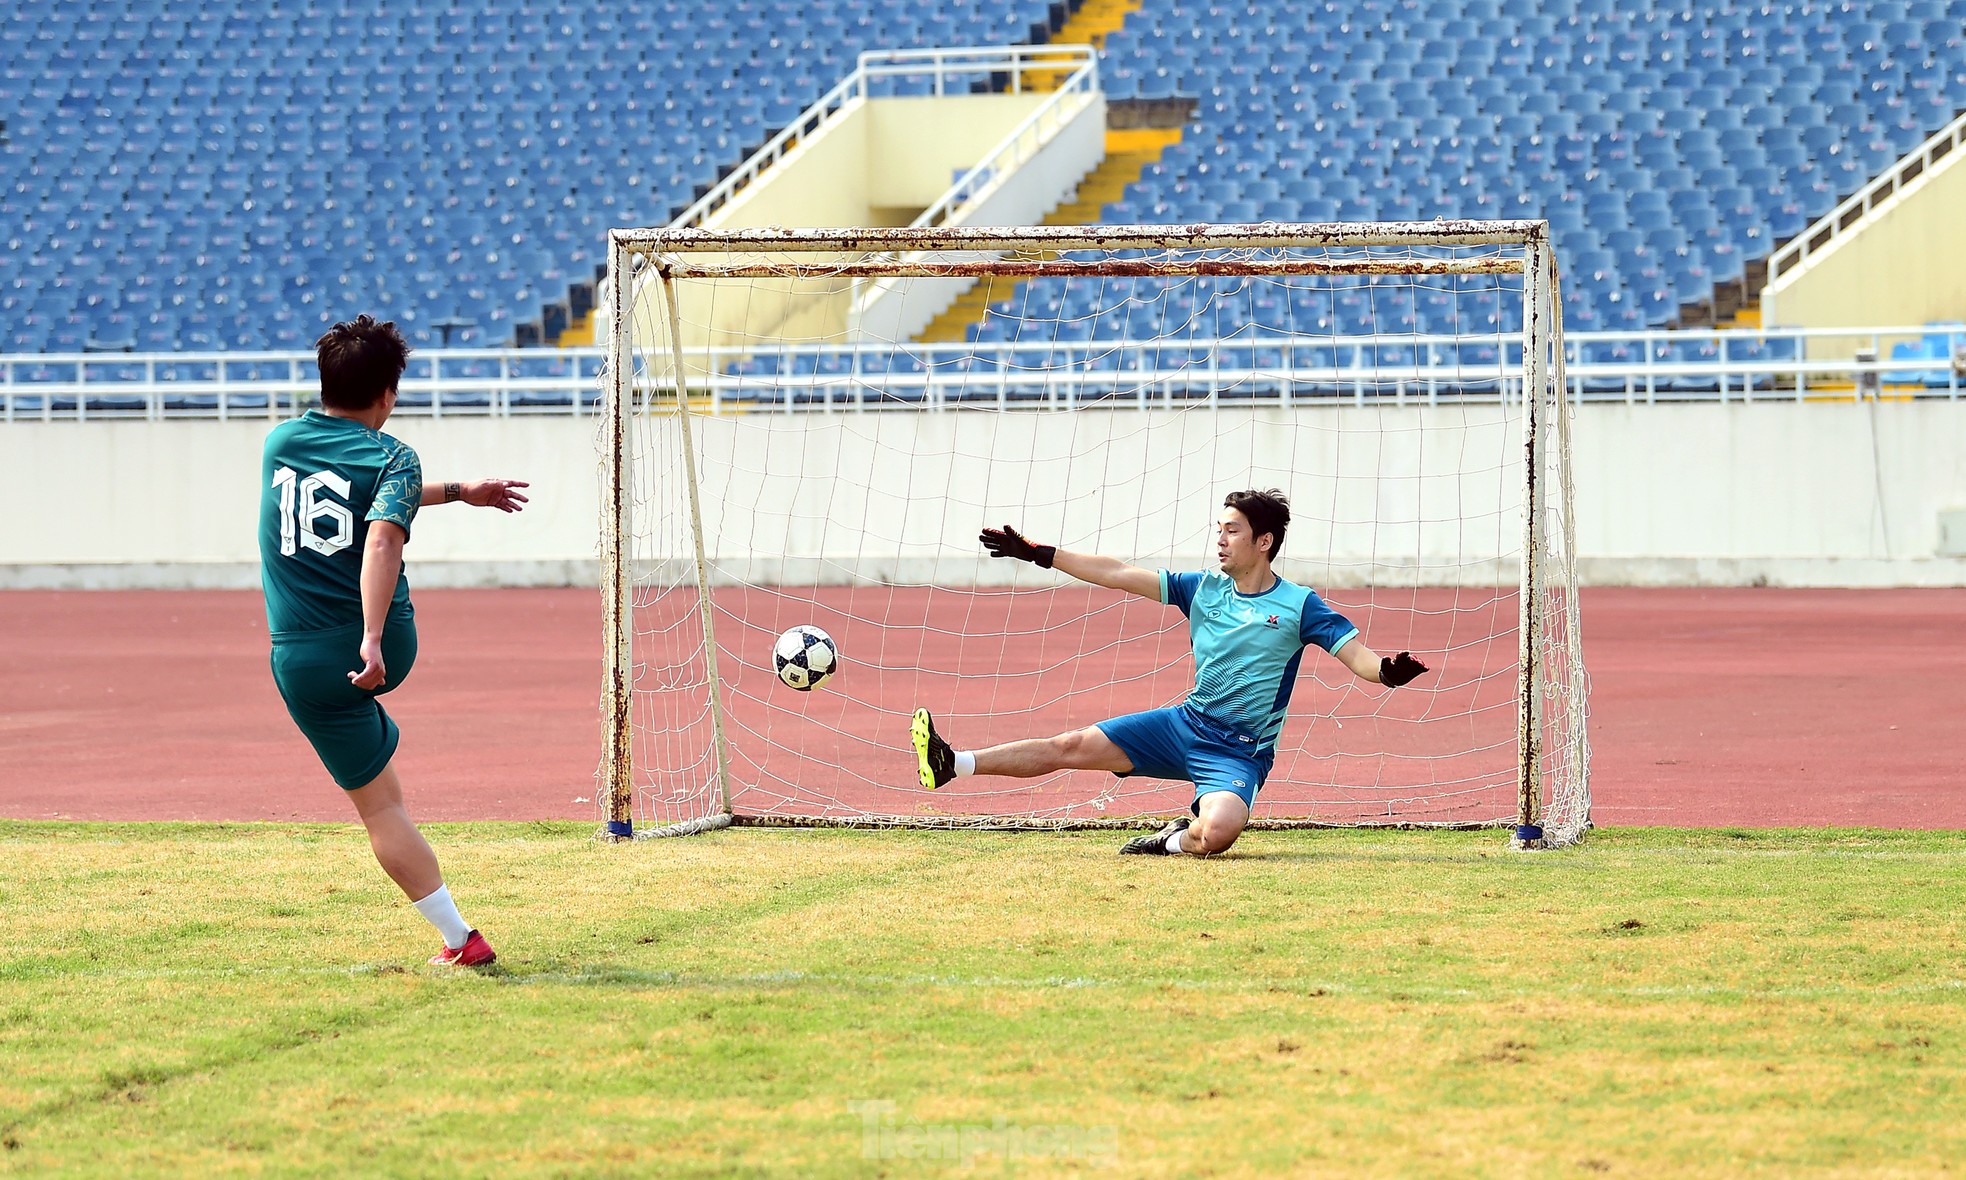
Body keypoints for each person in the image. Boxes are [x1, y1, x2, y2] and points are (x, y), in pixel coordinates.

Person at [911, 489, 1429, 857]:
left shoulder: (1300, 605)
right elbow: (1116, 574)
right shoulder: (1201, 588)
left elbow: (1359, 658)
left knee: (1219, 833)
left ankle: (1172, 839)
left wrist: (1387, 672)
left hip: (1238, 751)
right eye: (1219, 529)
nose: (1221, 539)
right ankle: (952, 762)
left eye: (1233, 531)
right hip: (1182, 725)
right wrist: (1040, 554)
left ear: (1264, 542)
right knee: (1069, 745)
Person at [260, 314, 529, 964]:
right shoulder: (394, 457)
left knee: (378, 811)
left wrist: (460, 493)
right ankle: (458, 940)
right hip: (375, 645)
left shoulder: (279, 443)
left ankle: (460, 941)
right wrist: (376, 639)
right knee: (389, 802)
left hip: (306, 659)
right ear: (388, 394)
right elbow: (380, 528)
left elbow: (363, 510)